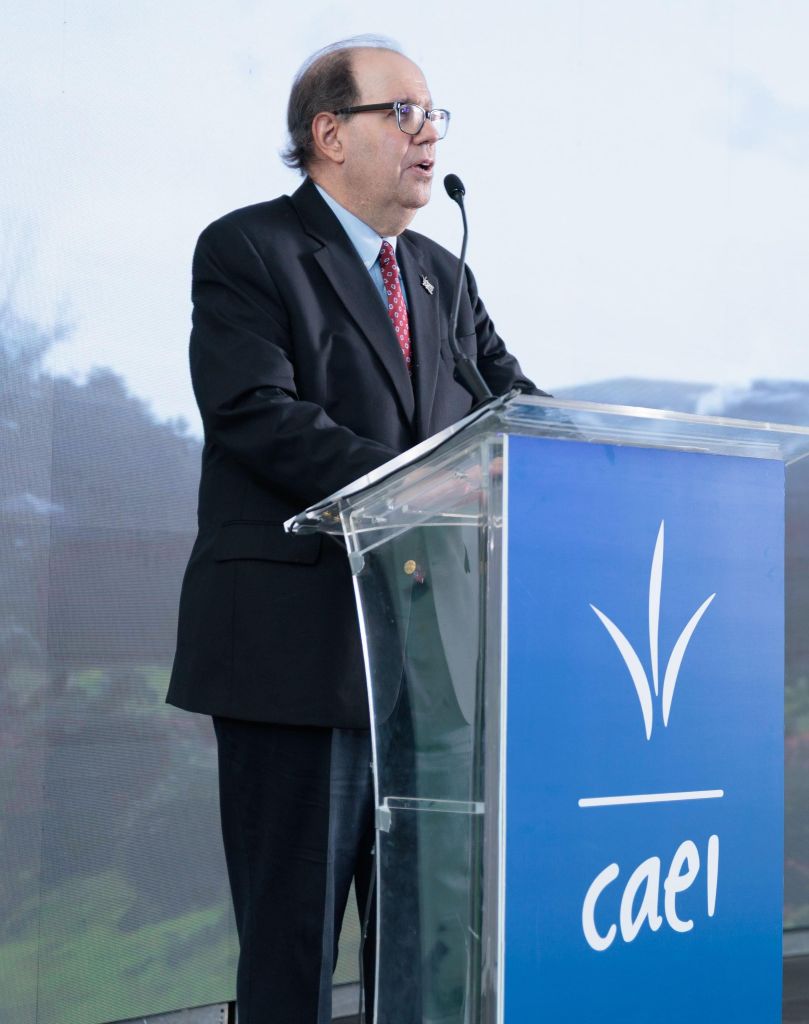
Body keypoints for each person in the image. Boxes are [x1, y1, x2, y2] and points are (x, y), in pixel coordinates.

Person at [167, 36, 541, 1024]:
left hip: (428, 666)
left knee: (427, 943)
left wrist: (596, 460)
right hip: (297, 657)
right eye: (403, 113)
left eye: (434, 116)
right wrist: (423, 485)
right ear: (329, 134)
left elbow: (514, 405)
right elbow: (255, 413)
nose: (429, 136)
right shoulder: (249, 250)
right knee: (292, 946)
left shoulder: (441, 274)